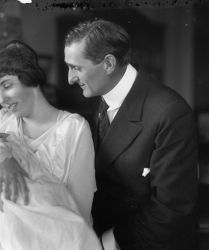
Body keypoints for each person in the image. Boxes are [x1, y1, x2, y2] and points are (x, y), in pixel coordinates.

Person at [63, 18, 198, 250]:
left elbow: (171, 209)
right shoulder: (99, 98)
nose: (70, 78)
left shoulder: (171, 112)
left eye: (76, 67)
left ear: (108, 63)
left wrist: (107, 242)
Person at [0, 118, 102, 250]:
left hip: (39, 189)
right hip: (13, 203)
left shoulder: (4, 137)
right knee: (21, 237)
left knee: (62, 224)